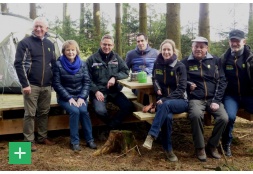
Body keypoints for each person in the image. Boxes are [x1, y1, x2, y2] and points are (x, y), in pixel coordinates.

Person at [181, 36, 228, 162]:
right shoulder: (185, 62)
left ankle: (212, 145)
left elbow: (222, 81)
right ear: (192, 47)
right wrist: (188, 84)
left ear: (207, 48)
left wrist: (216, 101)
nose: (198, 49)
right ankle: (200, 147)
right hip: (195, 99)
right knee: (196, 115)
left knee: (224, 118)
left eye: (202, 47)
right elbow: (179, 80)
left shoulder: (215, 61)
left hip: (213, 98)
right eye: (196, 46)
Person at [142, 39, 188, 162]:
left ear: (173, 51)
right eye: (164, 49)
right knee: (167, 118)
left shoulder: (180, 66)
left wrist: (166, 99)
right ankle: (168, 149)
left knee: (166, 104)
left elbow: (182, 88)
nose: (166, 52)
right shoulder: (157, 64)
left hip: (180, 101)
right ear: (160, 51)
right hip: (163, 102)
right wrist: (157, 88)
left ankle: (151, 135)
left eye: (169, 49)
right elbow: (154, 79)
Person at [14, 17, 56, 152]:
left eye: (41, 27)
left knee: (44, 112)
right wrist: (25, 84)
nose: (38, 29)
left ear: (46, 29)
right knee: (30, 114)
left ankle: (42, 137)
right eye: (36, 26)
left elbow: (53, 64)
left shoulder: (50, 44)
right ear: (33, 28)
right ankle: (29, 140)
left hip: (46, 86)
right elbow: (18, 64)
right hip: (31, 85)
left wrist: (53, 83)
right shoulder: (25, 43)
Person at [52, 40, 97, 151]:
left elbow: (86, 82)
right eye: (68, 50)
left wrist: (82, 97)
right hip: (65, 97)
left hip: (80, 97)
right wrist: (69, 98)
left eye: (73, 50)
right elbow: (56, 84)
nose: (70, 52)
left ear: (76, 51)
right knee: (75, 111)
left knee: (83, 111)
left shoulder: (83, 64)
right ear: (64, 51)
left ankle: (89, 140)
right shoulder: (58, 64)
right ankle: (74, 141)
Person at [86, 34, 133, 131]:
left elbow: (126, 71)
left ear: (113, 46)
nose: (107, 47)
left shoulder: (116, 58)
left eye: (109, 45)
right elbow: (86, 78)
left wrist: (114, 78)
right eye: (104, 44)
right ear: (100, 44)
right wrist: (95, 91)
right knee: (100, 111)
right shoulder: (92, 59)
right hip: (99, 92)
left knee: (128, 107)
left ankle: (111, 126)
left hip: (114, 91)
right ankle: (113, 126)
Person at [221, 29, 253, 157]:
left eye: (237, 41)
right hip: (231, 96)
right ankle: (226, 143)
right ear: (229, 42)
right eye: (232, 41)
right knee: (230, 117)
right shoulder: (224, 59)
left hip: (249, 95)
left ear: (244, 42)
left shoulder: (250, 58)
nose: (235, 44)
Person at [126, 33, 159, 105]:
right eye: (138, 41)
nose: (140, 43)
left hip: (153, 83)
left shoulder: (156, 53)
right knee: (145, 97)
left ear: (147, 41)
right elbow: (125, 70)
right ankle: (151, 110)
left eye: (142, 40)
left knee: (159, 95)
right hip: (137, 85)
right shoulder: (131, 54)